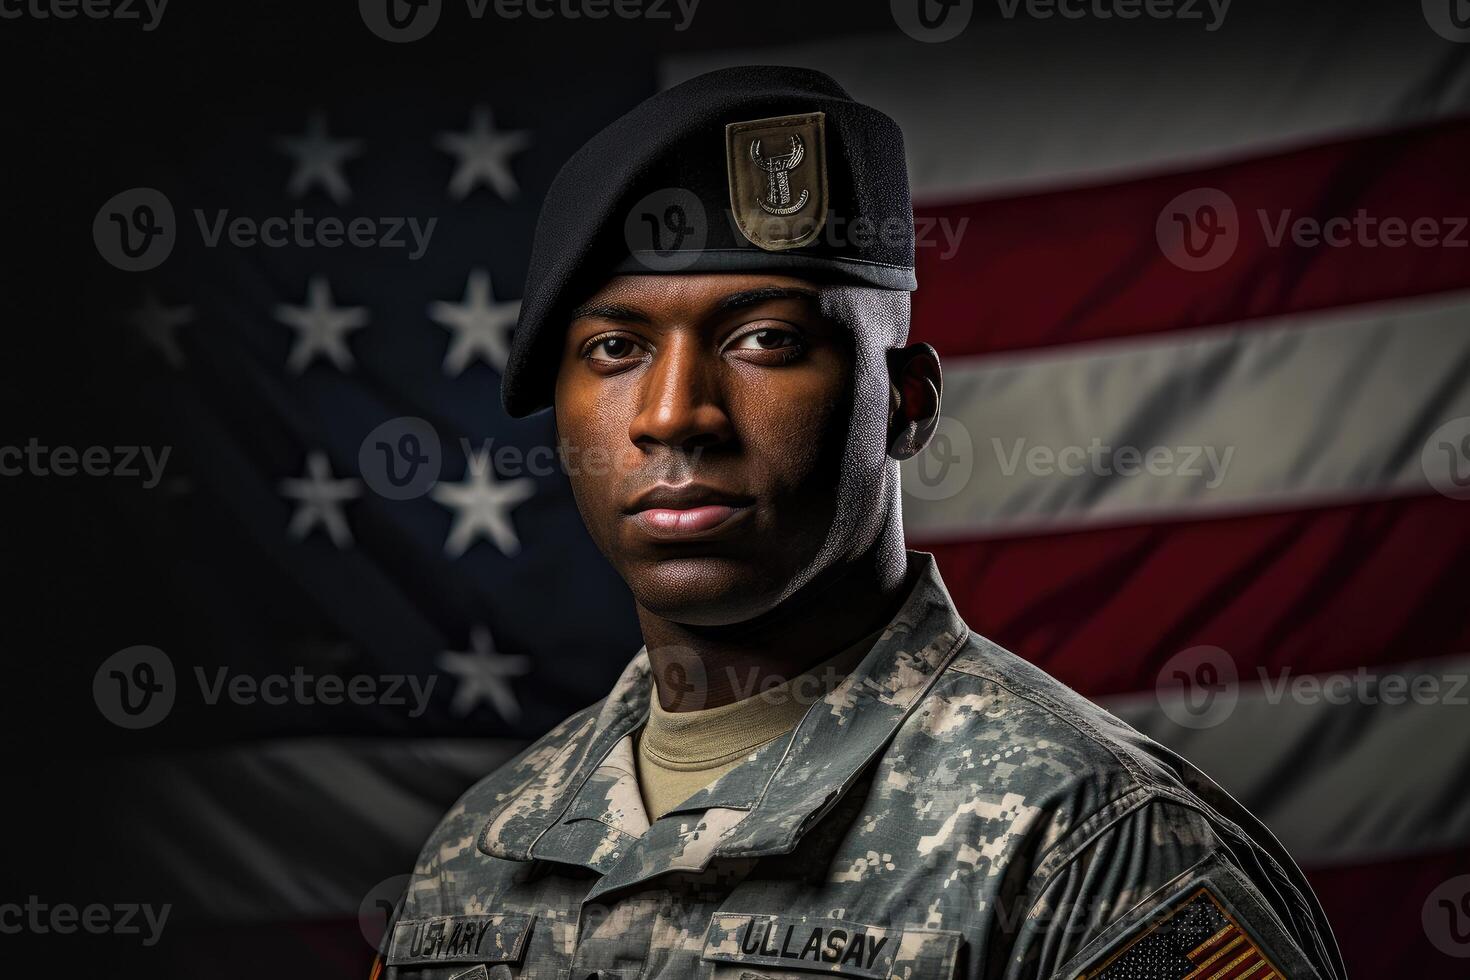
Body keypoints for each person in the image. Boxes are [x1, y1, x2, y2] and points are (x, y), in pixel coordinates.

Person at [376, 66, 1345, 980]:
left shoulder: (1094, 848)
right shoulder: (478, 849)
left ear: (906, 403)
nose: (674, 411)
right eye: (616, 346)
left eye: (766, 338)